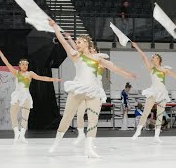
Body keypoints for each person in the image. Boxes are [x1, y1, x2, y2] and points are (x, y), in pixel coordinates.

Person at [48, 19, 136, 158]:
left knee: (93, 120)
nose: (77, 44)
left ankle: (89, 149)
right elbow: (64, 42)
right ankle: (56, 143)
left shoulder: (97, 58)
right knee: (67, 117)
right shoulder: (75, 55)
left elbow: (113, 67)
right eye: (76, 42)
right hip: (78, 89)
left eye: (79, 42)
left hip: (93, 91)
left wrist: (128, 74)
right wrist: (55, 28)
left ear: (87, 44)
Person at [0, 49, 60, 143]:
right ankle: (16, 133)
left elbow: (42, 78)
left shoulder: (30, 74)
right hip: (17, 95)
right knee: (13, 114)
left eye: (26, 64)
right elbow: (7, 63)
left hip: (26, 96)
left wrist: (53, 79)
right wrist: (1, 54)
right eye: (23, 64)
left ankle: (22, 135)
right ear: (19, 65)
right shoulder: (16, 73)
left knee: (25, 116)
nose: (25, 66)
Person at [131, 42, 176, 143]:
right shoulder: (151, 69)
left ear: (158, 59)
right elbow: (144, 56)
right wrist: (136, 47)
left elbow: (175, 76)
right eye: (152, 57)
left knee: (160, 114)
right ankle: (138, 131)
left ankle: (156, 136)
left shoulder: (164, 69)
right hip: (153, 91)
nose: (152, 58)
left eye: (154, 57)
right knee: (146, 112)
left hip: (162, 92)